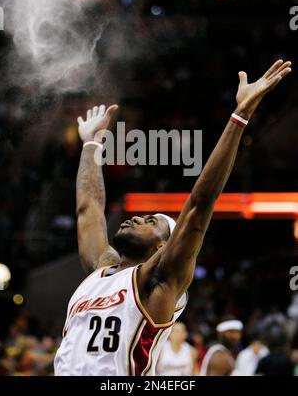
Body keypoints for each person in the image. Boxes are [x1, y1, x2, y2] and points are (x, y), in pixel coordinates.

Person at [54, 60, 292, 376]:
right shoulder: (102, 269)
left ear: (164, 246)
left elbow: (199, 206)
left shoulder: (158, 280)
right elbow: (88, 208)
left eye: (151, 221)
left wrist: (240, 116)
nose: (137, 218)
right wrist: (92, 144)